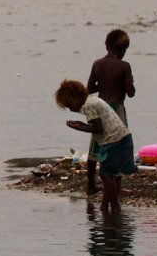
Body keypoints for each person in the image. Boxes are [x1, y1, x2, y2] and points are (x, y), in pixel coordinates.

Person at [55, 79, 135, 213]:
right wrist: (81, 125)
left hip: (114, 140)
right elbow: (97, 126)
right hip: (121, 138)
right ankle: (105, 206)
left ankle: (115, 207)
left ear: (76, 96)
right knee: (108, 175)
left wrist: (80, 127)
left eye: (69, 105)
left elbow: (97, 128)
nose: (71, 109)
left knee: (105, 175)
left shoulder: (88, 106)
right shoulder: (92, 101)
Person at [86, 29, 135, 195]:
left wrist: (105, 84)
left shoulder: (97, 64)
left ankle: (91, 185)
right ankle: (116, 188)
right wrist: (127, 81)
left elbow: (89, 88)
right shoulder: (124, 66)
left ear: (107, 45)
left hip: (99, 107)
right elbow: (131, 92)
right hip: (116, 110)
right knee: (119, 146)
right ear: (123, 49)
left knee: (95, 147)